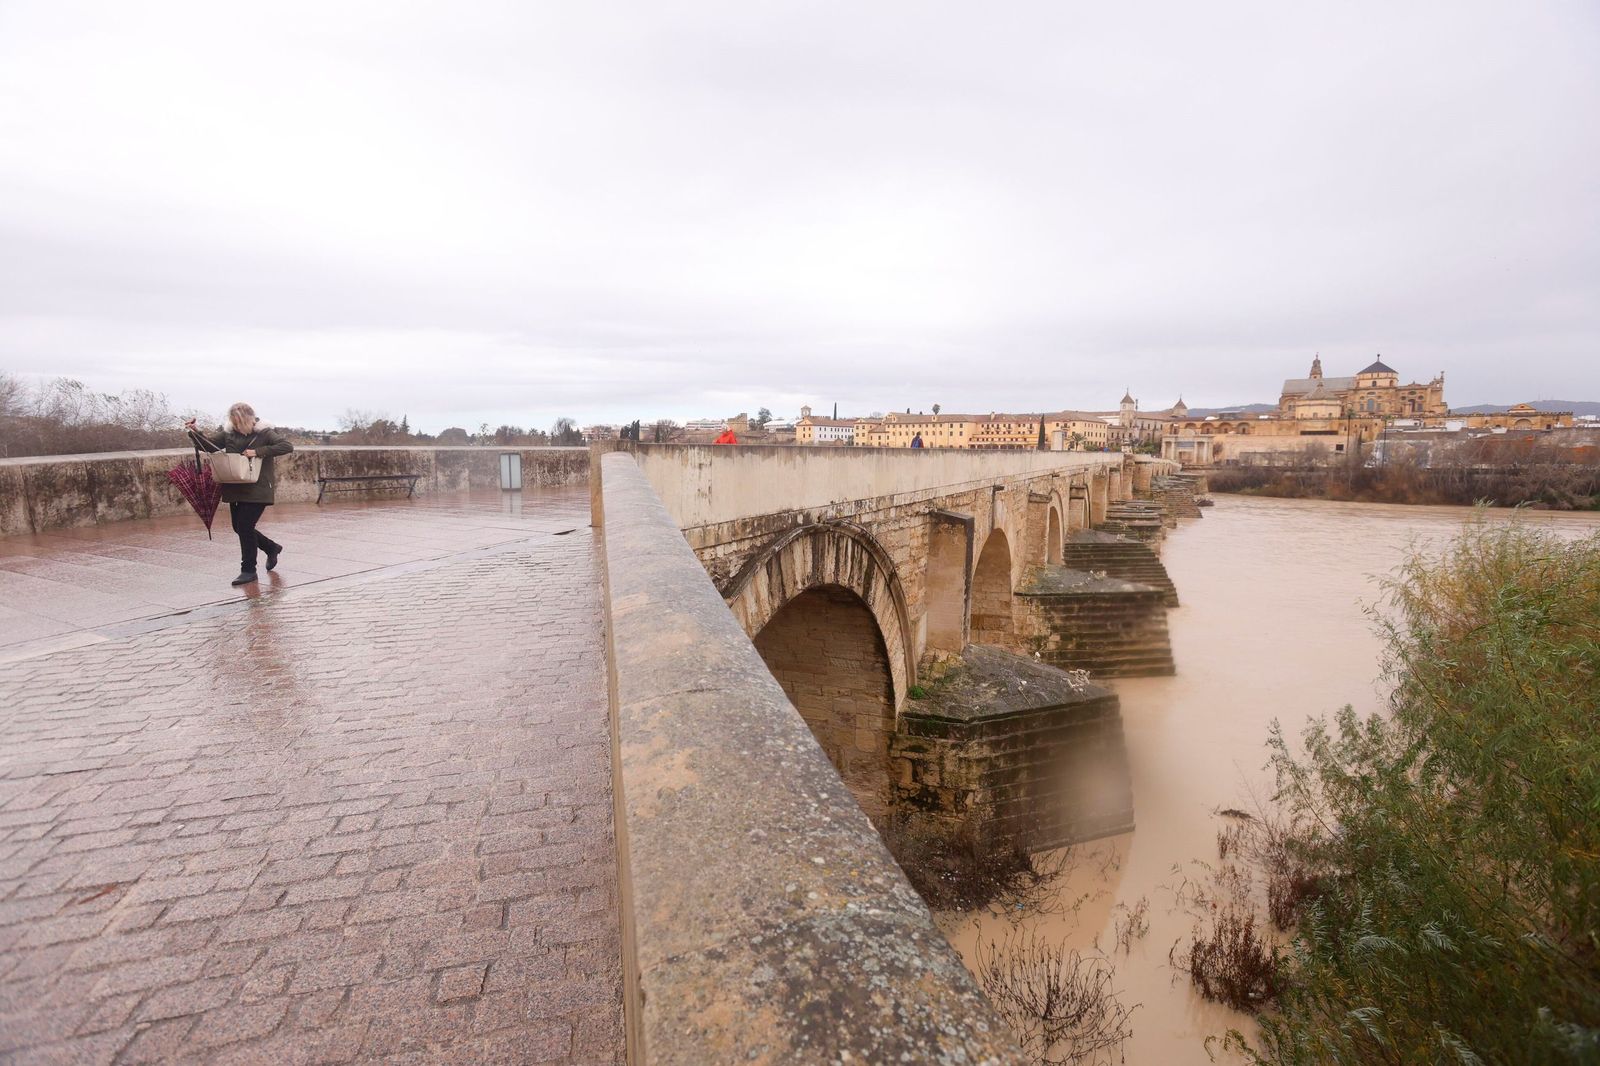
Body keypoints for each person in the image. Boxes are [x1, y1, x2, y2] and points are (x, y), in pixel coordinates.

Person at [185, 403, 294, 586]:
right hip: (235, 486)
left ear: (250, 419)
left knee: (244, 526)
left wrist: (258, 452)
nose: (236, 425)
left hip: (258, 487)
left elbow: (286, 446)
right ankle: (271, 547)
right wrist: (194, 431)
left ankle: (248, 570)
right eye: (234, 421)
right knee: (239, 527)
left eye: (239, 421)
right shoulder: (229, 434)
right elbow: (208, 446)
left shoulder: (264, 432)